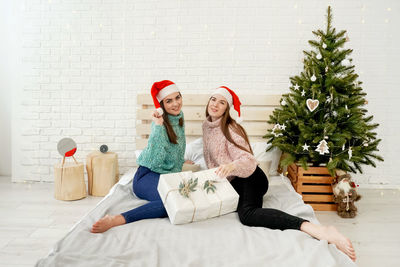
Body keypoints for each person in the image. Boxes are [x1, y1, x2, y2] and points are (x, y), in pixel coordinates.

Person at [202, 86, 356, 262]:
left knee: (247, 215)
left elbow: (248, 160)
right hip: (234, 182)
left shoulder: (231, 129)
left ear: (227, 109)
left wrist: (231, 166)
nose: (215, 105)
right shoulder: (207, 126)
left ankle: (316, 229)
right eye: (213, 99)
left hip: (250, 177)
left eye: (222, 102)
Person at [91, 80, 186, 233]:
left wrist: (180, 159)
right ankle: (118, 219)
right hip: (147, 175)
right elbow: (156, 160)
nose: (175, 104)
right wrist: (158, 125)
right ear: (161, 105)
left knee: (181, 200)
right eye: (169, 101)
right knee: (168, 203)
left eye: (177, 98)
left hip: (166, 177)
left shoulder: (180, 118)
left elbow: (176, 147)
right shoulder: (158, 125)